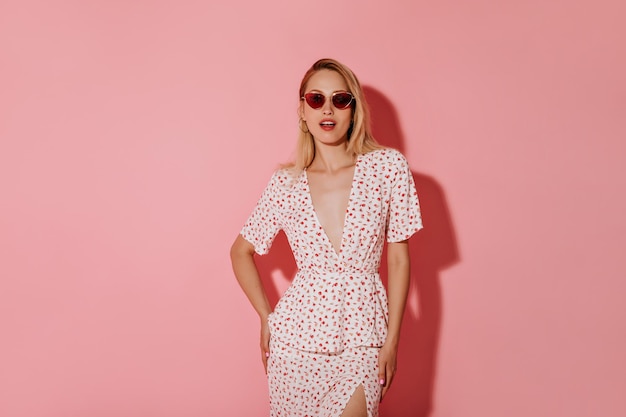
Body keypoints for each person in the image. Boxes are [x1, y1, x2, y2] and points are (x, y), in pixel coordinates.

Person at [230, 58, 423, 417]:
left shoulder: (387, 168)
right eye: (316, 99)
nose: (328, 109)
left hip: (363, 338)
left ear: (354, 109)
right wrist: (265, 318)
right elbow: (240, 252)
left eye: (340, 99)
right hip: (294, 345)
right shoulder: (285, 182)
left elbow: (398, 259)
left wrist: (392, 341)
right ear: (302, 110)